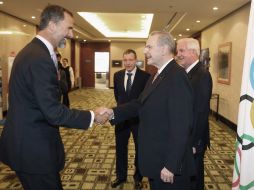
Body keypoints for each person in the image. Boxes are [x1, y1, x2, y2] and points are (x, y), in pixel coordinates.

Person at [0, 5, 102, 190]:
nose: (71, 34)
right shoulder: (38, 58)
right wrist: (92, 116)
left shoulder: (34, 52)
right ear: (53, 25)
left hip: (27, 144)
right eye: (69, 27)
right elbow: (53, 112)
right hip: (33, 150)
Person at [97, 31, 195, 190]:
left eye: (149, 46)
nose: (145, 51)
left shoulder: (177, 76)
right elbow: (139, 104)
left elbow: (182, 125)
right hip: (156, 157)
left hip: (168, 165)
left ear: (163, 49)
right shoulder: (157, 75)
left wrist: (171, 164)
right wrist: (112, 112)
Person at [176, 38, 212, 190]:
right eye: (178, 51)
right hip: (185, 136)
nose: (178, 54)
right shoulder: (185, 73)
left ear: (193, 52)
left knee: (194, 179)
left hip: (194, 140)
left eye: (181, 51)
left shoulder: (202, 75)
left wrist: (194, 142)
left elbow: (200, 112)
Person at [111, 49, 150, 189]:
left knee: (140, 148)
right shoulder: (117, 75)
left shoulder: (145, 76)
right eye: (125, 60)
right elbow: (117, 96)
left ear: (136, 60)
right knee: (120, 148)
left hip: (138, 119)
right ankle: (120, 176)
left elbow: (145, 100)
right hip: (121, 118)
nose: (127, 63)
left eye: (130, 60)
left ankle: (138, 177)